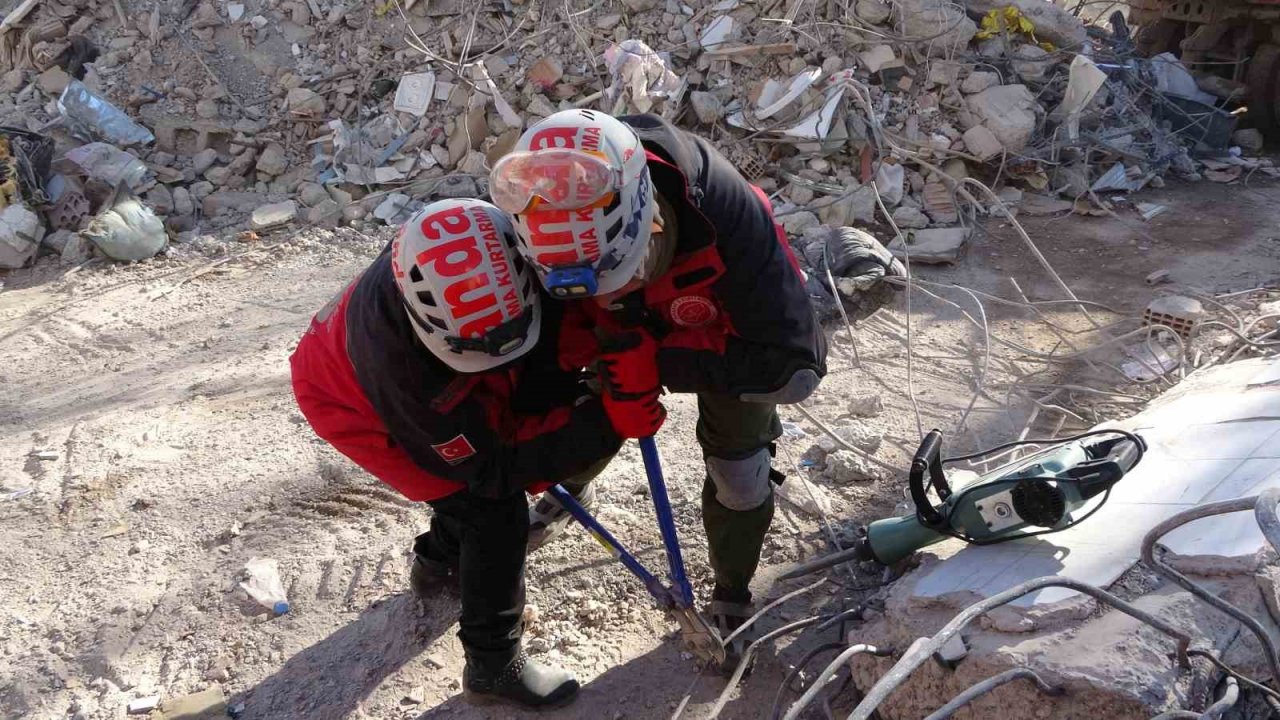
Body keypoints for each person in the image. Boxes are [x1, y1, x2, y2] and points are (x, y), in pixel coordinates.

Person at [489, 110, 829, 669]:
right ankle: (570, 487)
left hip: (726, 333)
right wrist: (595, 359)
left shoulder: (732, 220)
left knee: (740, 476)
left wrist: (664, 361)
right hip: (624, 332)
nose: (609, 286)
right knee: (589, 415)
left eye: (617, 269)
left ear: (649, 217)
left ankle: (732, 591)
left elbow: (794, 369)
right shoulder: (545, 209)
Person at [289, 198, 621, 708]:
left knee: (491, 464)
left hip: (407, 357)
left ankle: (437, 564)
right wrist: (602, 424)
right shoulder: (404, 375)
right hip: (349, 399)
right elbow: (490, 471)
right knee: (487, 510)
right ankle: (492, 665)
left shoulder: (487, 243)